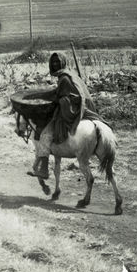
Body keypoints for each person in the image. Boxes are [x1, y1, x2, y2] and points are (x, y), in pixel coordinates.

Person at [30, 51, 106, 179]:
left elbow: (58, 95)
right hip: (85, 106)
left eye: (57, 62)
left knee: (46, 132)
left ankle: (43, 168)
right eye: (53, 62)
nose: (54, 64)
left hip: (72, 109)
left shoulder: (64, 78)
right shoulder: (71, 74)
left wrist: (41, 97)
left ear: (63, 62)